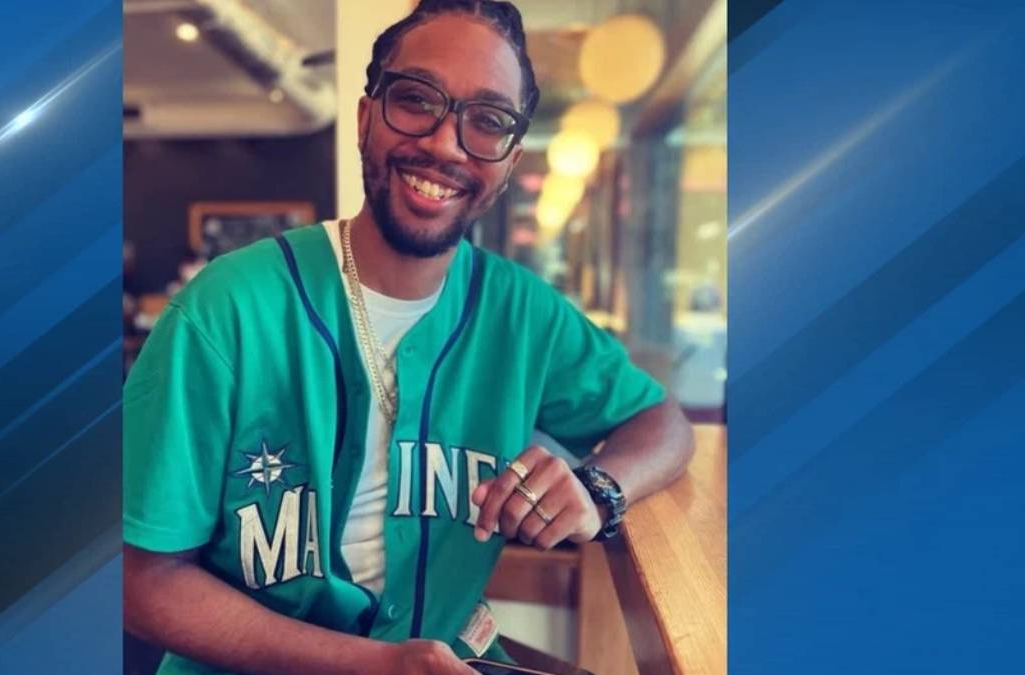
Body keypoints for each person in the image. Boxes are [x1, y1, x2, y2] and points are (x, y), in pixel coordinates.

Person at [122, 1, 695, 673]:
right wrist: (373, 665)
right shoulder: (225, 309)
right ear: (366, 117)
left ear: (509, 161)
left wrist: (599, 490)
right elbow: (140, 580)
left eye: (488, 121)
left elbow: (664, 423)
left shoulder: (521, 312)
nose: (447, 143)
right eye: (418, 99)